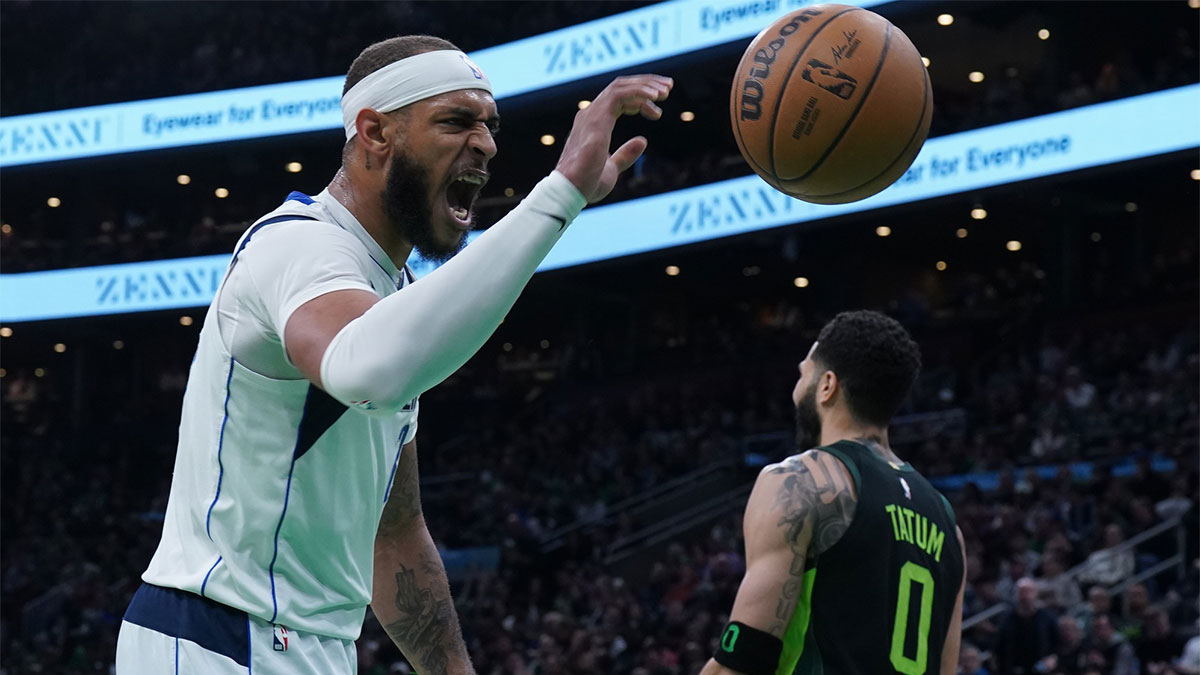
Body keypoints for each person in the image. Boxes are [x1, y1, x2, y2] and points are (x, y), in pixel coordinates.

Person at [114, 34, 673, 674]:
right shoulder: (296, 246)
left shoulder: (390, 294)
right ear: (375, 132)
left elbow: (396, 534)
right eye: (456, 122)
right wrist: (561, 194)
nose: (487, 144)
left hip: (315, 647)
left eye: (490, 126)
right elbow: (365, 369)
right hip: (217, 634)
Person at [699, 311, 966, 675]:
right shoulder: (948, 524)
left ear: (827, 385)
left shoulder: (800, 481)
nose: (797, 385)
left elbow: (746, 655)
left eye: (803, 373)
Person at [993, 577, 1060, 675]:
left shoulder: (1047, 617)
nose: (1025, 596)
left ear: (1036, 593)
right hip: (1013, 668)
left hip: (1040, 668)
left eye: (1029, 591)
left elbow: (1057, 643)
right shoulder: (1006, 618)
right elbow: (999, 645)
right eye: (1022, 592)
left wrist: (1053, 658)